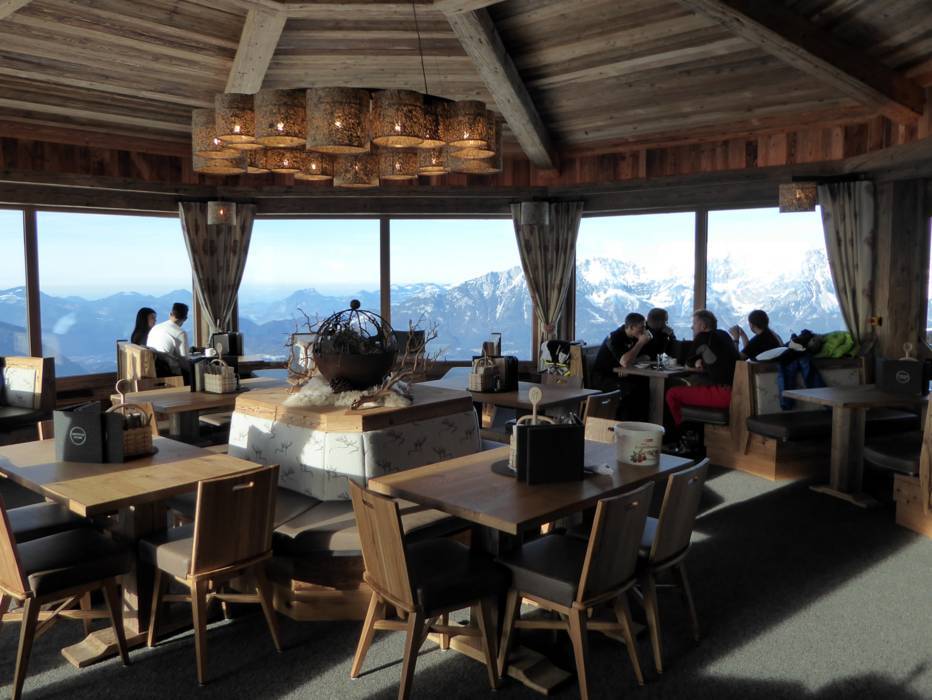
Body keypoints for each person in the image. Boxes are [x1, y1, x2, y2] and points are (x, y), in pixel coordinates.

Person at [665, 309, 739, 428]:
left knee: (672, 394)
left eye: (694, 323)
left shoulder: (703, 337)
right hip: (737, 391)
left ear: (703, 325)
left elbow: (688, 365)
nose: (691, 327)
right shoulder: (724, 335)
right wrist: (701, 363)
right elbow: (718, 360)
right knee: (693, 384)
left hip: (723, 393)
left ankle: (681, 431)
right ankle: (695, 430)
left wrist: (697, 363)